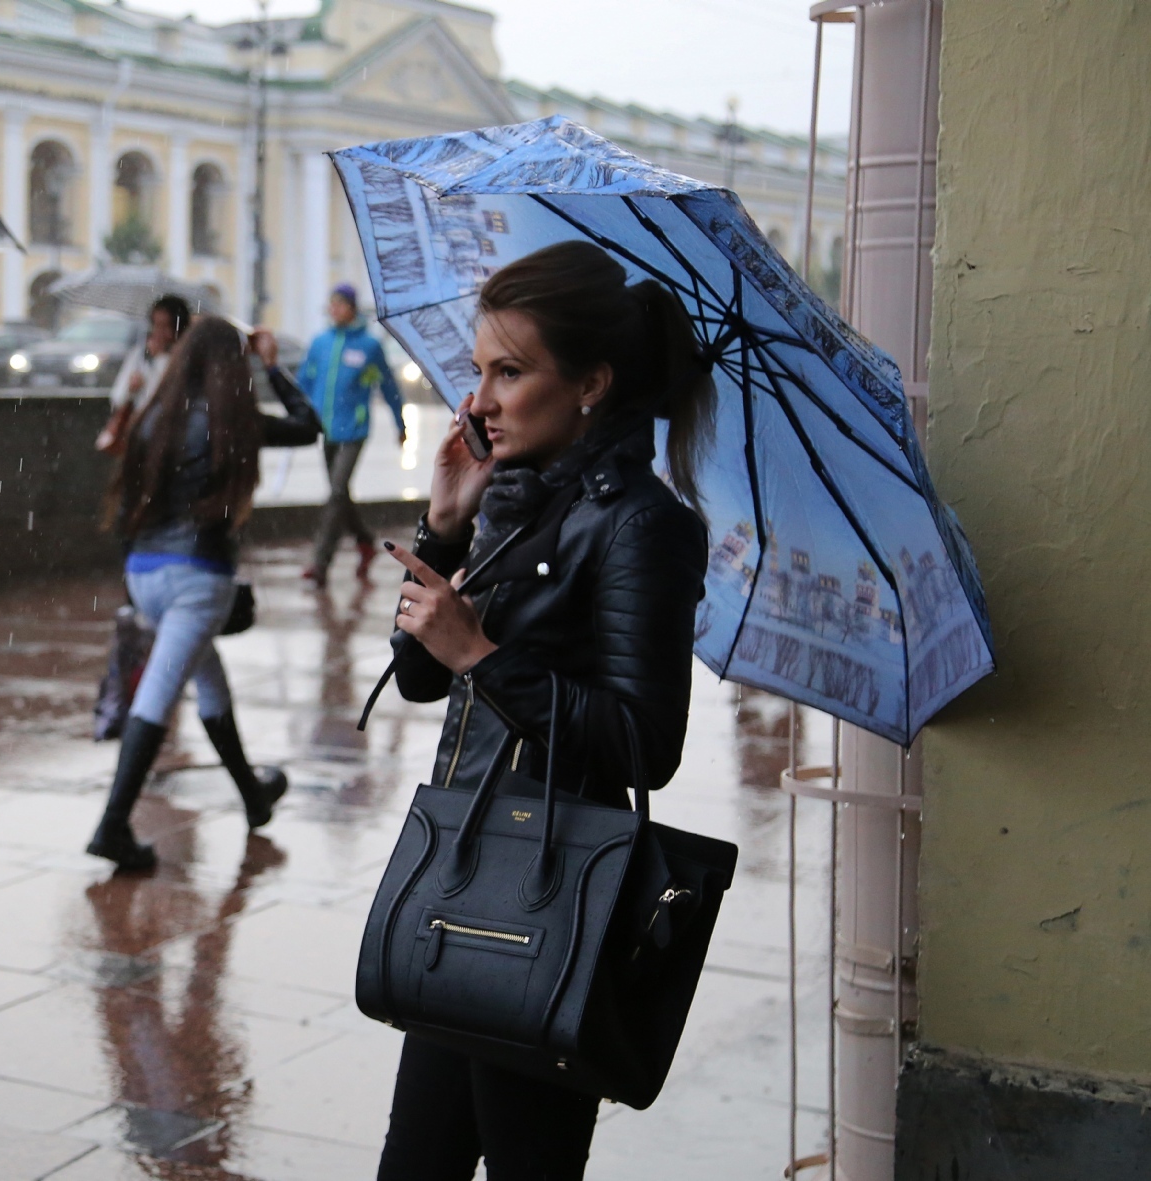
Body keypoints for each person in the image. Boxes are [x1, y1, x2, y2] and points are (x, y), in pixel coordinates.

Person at [375, 240, 713, 1180]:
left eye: (509, 372)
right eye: (480, 370)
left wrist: (483, 653)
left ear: (592, 383)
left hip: (550, 895)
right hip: (467, 873)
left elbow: (645, 744)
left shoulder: (643, 524)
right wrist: (444, 527)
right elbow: (417, 678)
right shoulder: (515, 505)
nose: (479, 399)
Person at [88, 318, 321, 870]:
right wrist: (271, 364)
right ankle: (113, 826)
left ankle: (252, 794)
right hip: (198, 577)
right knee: (158, 698)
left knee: (208, 680)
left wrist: (136, 577)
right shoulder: (235, 424)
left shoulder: (153, 420)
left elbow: (124, 513)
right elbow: (308, 425)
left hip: (145, 573)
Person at [298, 282, 405, 588]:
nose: (334, 310)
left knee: (334, 494)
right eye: (331, 304)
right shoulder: (321, 342)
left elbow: (388, 386)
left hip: (354, 430)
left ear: (352, 308)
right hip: (325, 428)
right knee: (340, 494)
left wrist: (400, 423)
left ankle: (320, 564)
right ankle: (365, 540)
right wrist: (296, 417)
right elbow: (304, 381)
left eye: (340, 304)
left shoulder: (368, 347)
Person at [95, 294, 193, 454]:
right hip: (142, 435)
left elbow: (176, 393)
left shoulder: (186, 359)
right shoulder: (141, 355)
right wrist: (131, 388)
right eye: (155, 324)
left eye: (165, 326)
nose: (158, 332)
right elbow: (117, 398)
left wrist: (162, 359)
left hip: (174, 437)